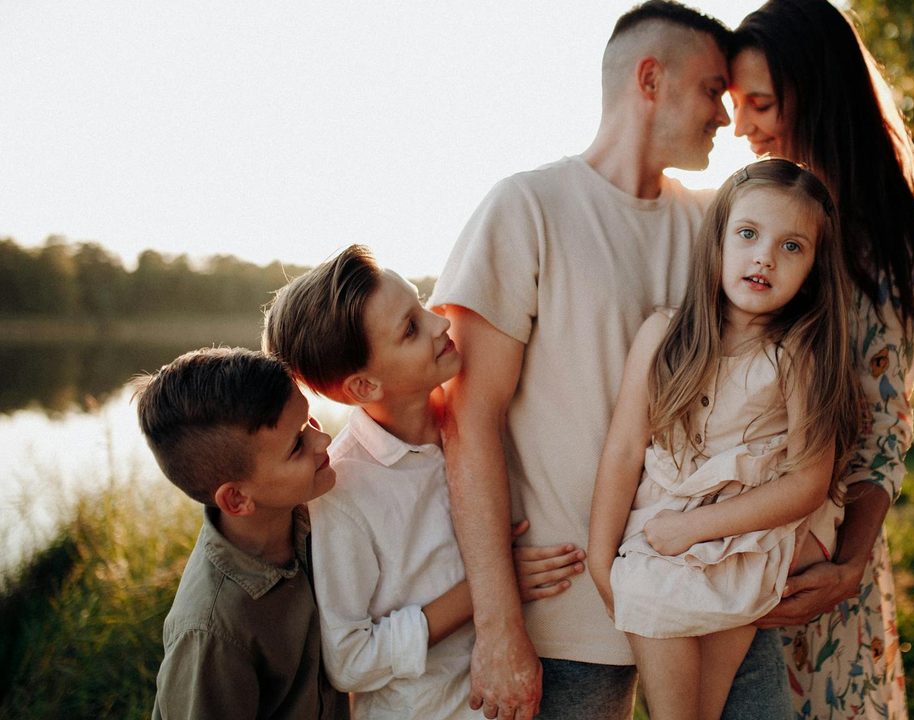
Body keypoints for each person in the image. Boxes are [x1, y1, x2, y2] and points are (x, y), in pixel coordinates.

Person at [429, 2, 733, 716]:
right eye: (712, 89)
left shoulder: (716, 226)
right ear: (650, 79)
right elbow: (466, 419)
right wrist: (498, 623)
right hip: (564, 616)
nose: (724, 114)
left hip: (700, 595)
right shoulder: (525, 207)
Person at [725, 1, 914, 718]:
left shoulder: (875, 243)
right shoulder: (745, 225)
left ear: (815, 94)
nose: (740, 126)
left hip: (820, 573)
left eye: (760, 103)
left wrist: (848, 566)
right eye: (735, 103)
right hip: (720, 561)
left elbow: (884, 430)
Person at [262, 245, 587, 719]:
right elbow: (349, 661)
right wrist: (493, 585)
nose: (441, 323)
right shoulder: (343, 489)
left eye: (421, 303)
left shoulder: (478, 424)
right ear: (364, 387)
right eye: (411, 329)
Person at [588, 159, 861, 720]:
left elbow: (807, 484)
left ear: (813, 269)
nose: (765, 257)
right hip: (658, 537)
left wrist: (692, 529)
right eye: (748, 234)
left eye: (792, 247)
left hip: (746, 539)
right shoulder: (664, 334)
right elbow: (623, 450)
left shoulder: (796, 356)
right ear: (717, 241)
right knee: (669, 674)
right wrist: (599, 557)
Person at [134, 347, 349, 720]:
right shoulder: (212, 632)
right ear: (237, 499)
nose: (323, 440)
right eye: (297, 445)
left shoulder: (316, 516)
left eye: (309, 421)